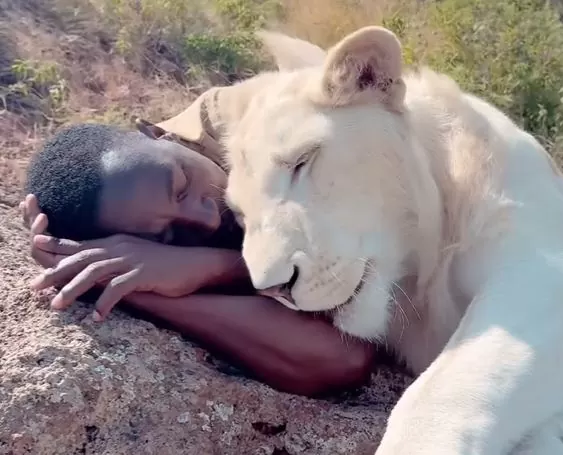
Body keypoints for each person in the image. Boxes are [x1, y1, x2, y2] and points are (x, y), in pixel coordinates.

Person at [20, 88, 376, 398]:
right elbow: (339, 356)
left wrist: (205, 267)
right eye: (167, 238)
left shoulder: (264, 124)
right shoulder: (151, 261)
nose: (206, 219)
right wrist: (119, 287)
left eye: (182, 186)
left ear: (161, 135)